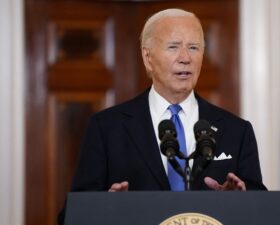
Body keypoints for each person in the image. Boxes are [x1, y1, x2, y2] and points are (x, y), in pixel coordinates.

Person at [58, 8, 266, 225]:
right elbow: (71, 218)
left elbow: (264, 213)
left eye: (194, 47)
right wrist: (106, 207)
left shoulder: (237, 131)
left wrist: (242, 201)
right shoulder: (107, 128)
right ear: (147, 57)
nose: (185, 58)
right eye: (173, 47)